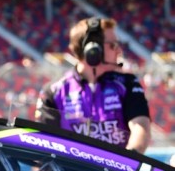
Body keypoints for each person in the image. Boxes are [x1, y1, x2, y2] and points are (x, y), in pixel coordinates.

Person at [35, 17, 151, 154]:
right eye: (113, 45)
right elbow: (44, 144)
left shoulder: (128, 83)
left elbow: (141, 126)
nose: (119, 51)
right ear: (93, 50)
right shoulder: (53, 92)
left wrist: (128, 162)